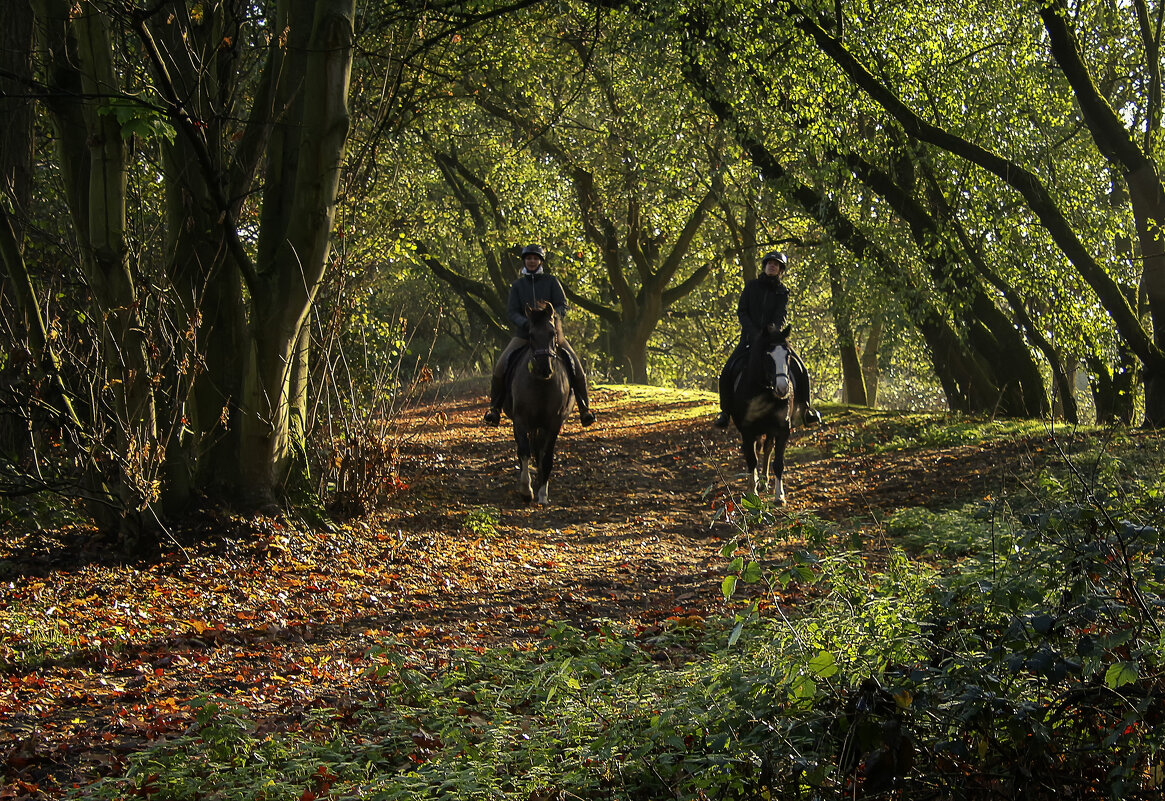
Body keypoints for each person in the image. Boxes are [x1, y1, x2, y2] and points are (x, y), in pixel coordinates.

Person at [483, 244, 596, 427]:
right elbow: (512, 312)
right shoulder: (518, 286)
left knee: (576, 365)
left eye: (535, 258)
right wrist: (527, 323)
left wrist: (550, 316)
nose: (532, 261)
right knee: (500, 366)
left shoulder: (551, 281)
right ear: (525, 261)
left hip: (552, 334)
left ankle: (584, 408)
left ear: (540, 261)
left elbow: (562, 305)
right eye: (529, 259)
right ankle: (494, 408)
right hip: (525, 334)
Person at [713, 251, 822, 428]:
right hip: (749, 339)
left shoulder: (783, 291)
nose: (772, 266)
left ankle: (806, 410)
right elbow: (742, 311)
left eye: (776, 264)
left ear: (780, 270)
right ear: (764, 266)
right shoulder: (751, 287)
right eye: (769, 263)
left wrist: (772, 332)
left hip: (774, 340)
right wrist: (754, 333)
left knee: (801, 370)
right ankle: (725, 412)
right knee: (727, 371)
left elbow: (781, 315)